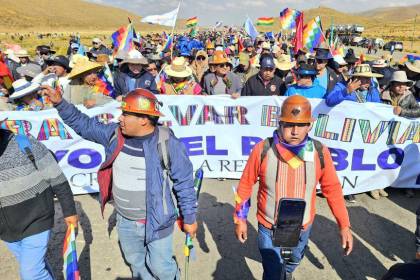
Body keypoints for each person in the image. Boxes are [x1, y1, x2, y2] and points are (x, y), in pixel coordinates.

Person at [42, 87, 197, 280]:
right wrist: (60, 103)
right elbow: (84, 125)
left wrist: (189, 218)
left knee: (162, 269)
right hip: (125, 221)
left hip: (158, 222)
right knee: (137, 266)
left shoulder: (168, 143)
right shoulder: (114, 135)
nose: (119, 118)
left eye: (126, 114)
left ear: (143, 119)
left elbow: (184, 184)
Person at [234, 95, 353, 280]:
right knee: (273, 272)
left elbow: (333, 189)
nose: (295, 131)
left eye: (301, 125)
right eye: (289, 124)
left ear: (309, 126)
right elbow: (245, 185)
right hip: (269, 226)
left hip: (302, 227)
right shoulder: (263, 149)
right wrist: (240, 219)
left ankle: (287, 272)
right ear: (280, 124)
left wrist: (344, 225)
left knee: (293, 262)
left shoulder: (319, 152)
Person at [0, 123, 78, 280]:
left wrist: (69, 211)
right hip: (6, 230)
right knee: (36, 267)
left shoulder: (25, 144)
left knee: (30, 273)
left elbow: (58, 179)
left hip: (37, 219)